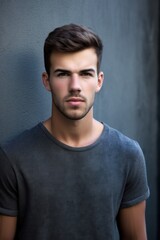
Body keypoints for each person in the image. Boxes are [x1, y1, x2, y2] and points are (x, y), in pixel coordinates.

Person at [0, 23, 150, 240]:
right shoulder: (11, 158)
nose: (75, 86)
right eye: (62, 73)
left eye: (86, 73)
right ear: (47, 81)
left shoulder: (128, 154)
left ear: (99, 81)